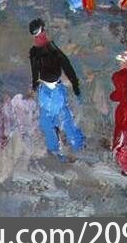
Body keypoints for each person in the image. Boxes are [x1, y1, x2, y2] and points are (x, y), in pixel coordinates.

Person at [29, 17, 85, 156]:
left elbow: (65, 66)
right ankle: (68, 145)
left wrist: (35, 87)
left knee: (55, 118)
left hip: (50, 90)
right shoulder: (43, 50)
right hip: (50, 89)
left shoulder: (44, 50)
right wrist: (75, 86)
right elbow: (66, 67)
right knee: (57, 118)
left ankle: (66, 146)